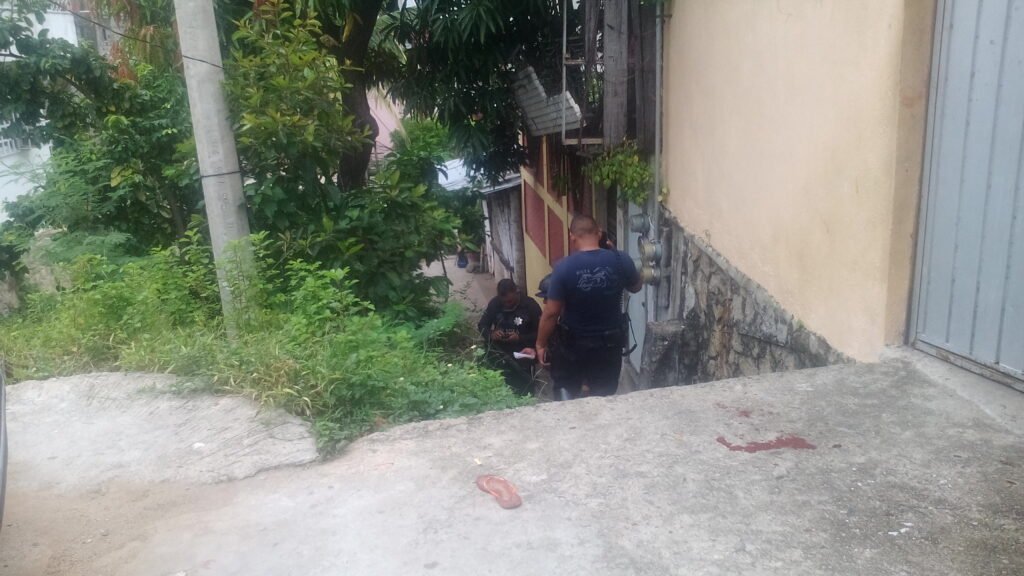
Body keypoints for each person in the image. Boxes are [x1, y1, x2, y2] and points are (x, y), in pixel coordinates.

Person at [537, 214, 642, 399]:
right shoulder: (621, 260)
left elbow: (551, 313)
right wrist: (616, 255)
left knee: (566, 391)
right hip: (609, 346)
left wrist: (540, 344)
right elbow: (636, 287)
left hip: (572, 346)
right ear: (599, 233)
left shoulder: (563, 267)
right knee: (604, 395)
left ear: (572, 237)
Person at [478, 279, 542, 395]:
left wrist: (520, 338)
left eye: (510, 301)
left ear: (516, 292)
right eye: (504, 302)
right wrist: (491, 334)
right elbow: (482, 325)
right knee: (499, 388)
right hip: (499, 352)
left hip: (523, 353)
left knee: (524, 390)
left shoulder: (530, 306)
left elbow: (541, 334)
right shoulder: (495, 304)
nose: (507, 304)